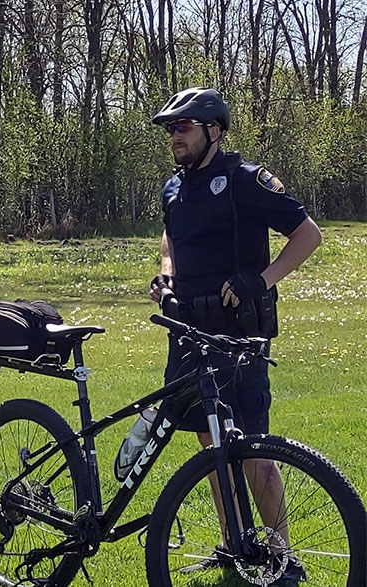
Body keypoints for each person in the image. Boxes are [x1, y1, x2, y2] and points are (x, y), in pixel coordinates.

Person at [146, 87, 322, 584]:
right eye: (170, 129)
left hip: (238, 336)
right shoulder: (173, 188)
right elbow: (170, 237)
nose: (175, 137)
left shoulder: (245, 180)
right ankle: (232, 547)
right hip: (188, 330)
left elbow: (308, 234)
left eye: (183, 127)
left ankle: (283, 556)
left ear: (213, 131)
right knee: (210, 444)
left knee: (252, 447)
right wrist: (166, 273)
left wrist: (258, 280)